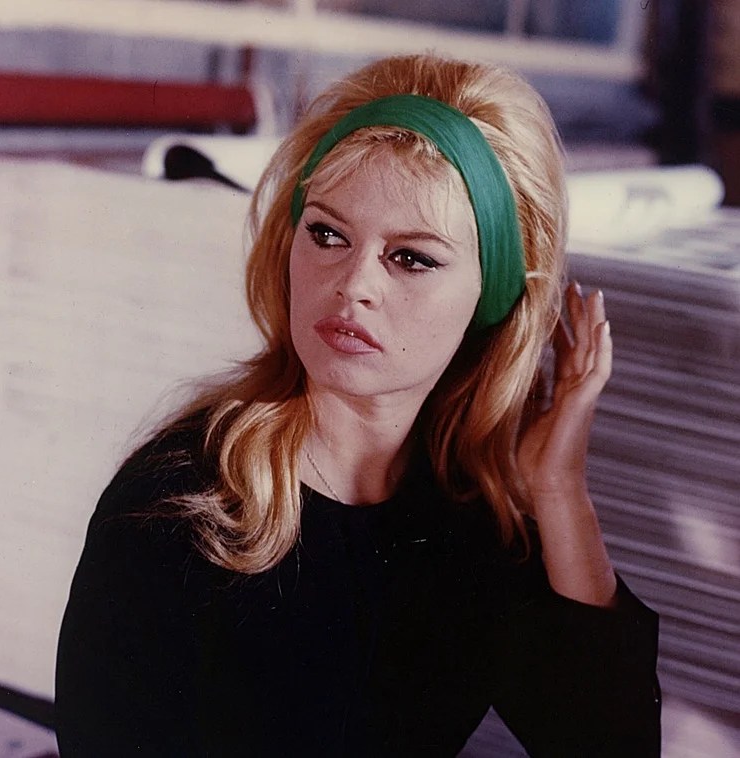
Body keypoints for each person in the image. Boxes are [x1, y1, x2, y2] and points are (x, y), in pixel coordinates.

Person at [55, 54, 661, 757]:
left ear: (492, 298)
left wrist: (560, 490)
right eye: (327, 234)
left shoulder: (470, 522)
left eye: (412, 258)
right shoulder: (179, 506)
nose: (353, 285)